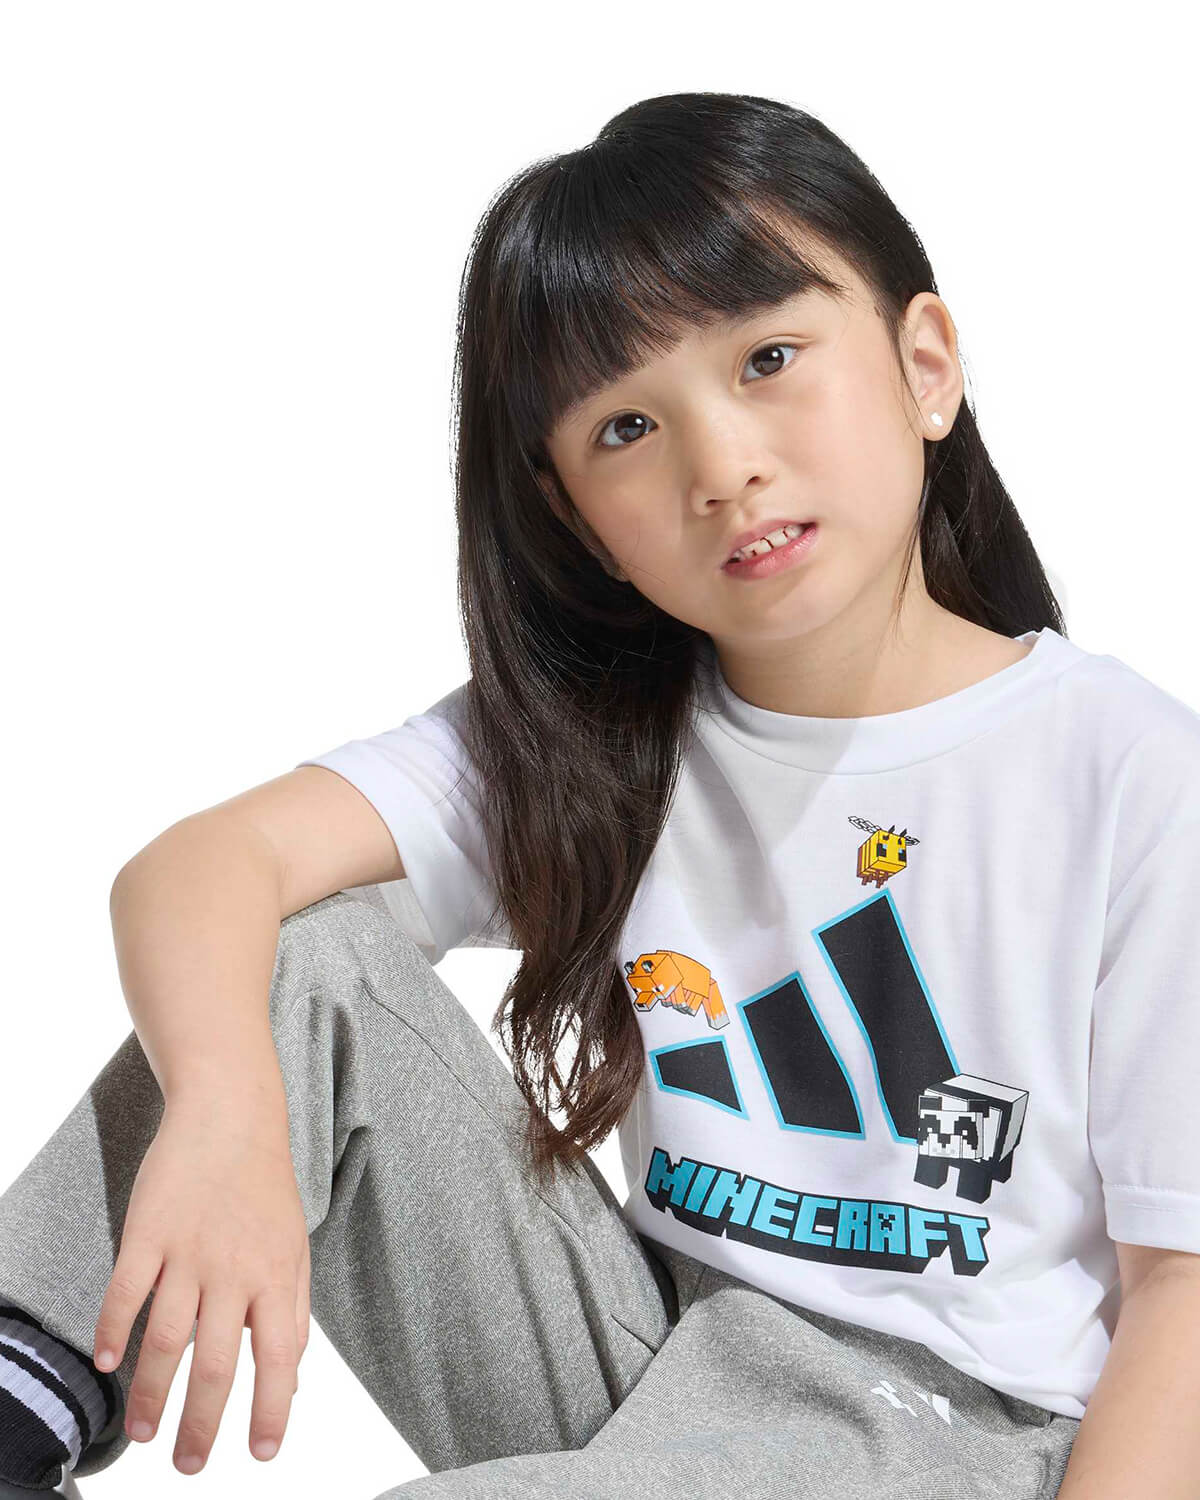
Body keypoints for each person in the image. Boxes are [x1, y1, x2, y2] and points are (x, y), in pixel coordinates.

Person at [1, 90, 1197, 1500]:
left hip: (953, 1439)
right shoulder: (603, 740)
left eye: (769, 358)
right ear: (581, 520)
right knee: (304, 961)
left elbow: (1182, 1292)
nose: (722, 465)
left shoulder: (1124, 769)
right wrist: (227, 1113)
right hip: (672, 1375)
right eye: (627, 427)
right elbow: (203, 867)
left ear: (924, 367)